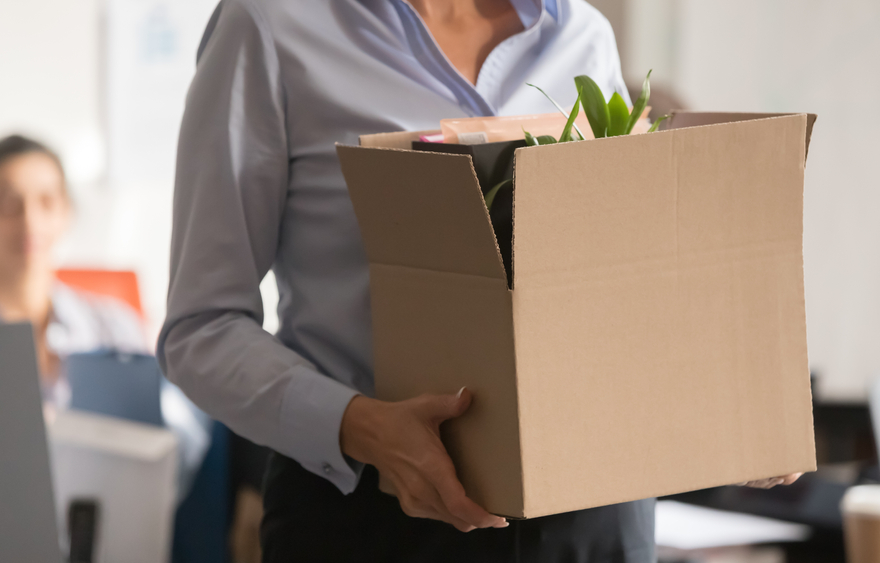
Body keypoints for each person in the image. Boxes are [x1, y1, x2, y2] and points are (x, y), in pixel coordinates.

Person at [159, 1, 801, 561]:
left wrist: (729, 396)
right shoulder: (270, 26)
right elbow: (201, 329)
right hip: (373, 519)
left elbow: (622, 283)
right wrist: (361, 427)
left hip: (594, 521)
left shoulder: (582, 33)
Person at [0, 134, 210, 498]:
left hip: (108, 516)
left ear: (66, 211)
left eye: (47, 202)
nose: (30, 221)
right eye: (9, 203)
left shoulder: (114, 325)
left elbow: (182, 439)